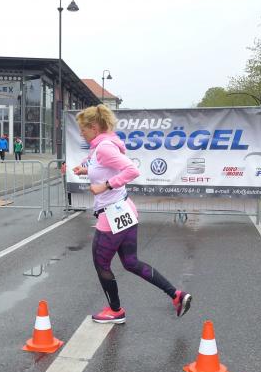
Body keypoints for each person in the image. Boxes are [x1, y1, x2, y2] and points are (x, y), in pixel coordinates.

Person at [72, 104, 192, 324]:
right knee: (131, 262)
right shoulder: (104, 146)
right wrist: (85, 170)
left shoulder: (104, 147)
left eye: (83, 129)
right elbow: (106, 169)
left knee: (101, 264)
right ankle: (176, 295)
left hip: (111, 215)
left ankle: (115, 311)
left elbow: (132, 170)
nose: (81, 133)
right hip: (124, 210)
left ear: (95, 127)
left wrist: (105, 185)